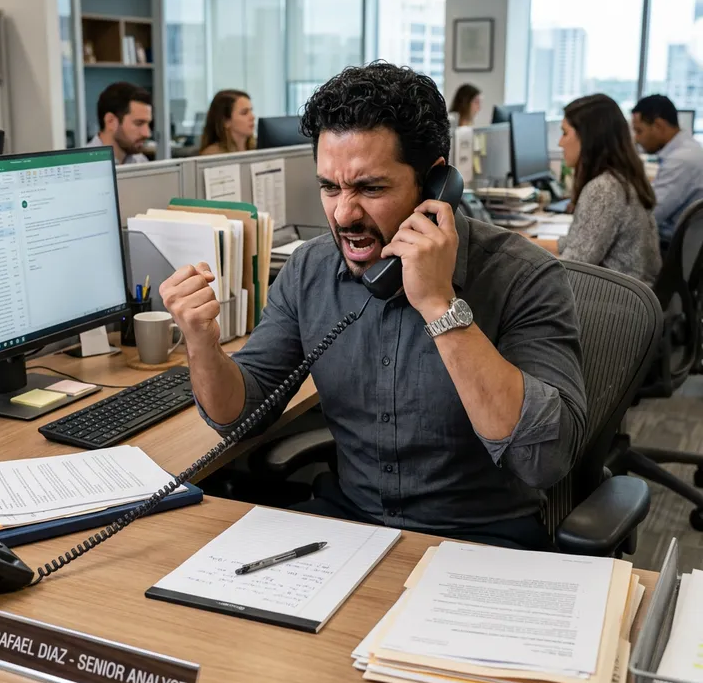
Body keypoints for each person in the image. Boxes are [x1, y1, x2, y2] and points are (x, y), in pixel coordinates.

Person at [160, 62, 586, 551]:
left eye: (370, 188)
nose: (343, 214)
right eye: (330, 187)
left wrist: (437, 304)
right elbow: (239, 415)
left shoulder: (523, 275)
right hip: (348, 528)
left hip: (481, 539)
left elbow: (544, 459)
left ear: (434, 185)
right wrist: (202, 345)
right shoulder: (310, 271)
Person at [557, 94, 661, 284]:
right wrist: (525, 244)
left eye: (564, 133)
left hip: (613, 306)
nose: (560, 143)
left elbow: (572, 268)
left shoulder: (604, 189)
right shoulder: (621, 179)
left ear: (588, 137)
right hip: (631, 299)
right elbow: (581, 243)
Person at [632, 94, 703, 247]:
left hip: (670, 247)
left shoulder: (681, 160)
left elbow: (650, 216)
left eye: (639, 131)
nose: (637, 139)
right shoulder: (689, 150)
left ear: (658, 126)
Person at [87, 82, 152, 165]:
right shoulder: (81, 166)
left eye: (148, 124)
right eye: (138, 123)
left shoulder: (140, 161)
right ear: (110, 121)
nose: (147, 133)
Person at [199, 89, 256, 155]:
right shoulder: (213, 155)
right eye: (244, 113)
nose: (252, 117)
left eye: (251, 111)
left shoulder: (258, 148)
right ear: (225, 121)